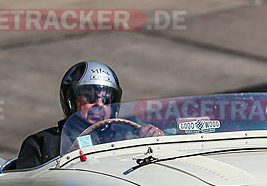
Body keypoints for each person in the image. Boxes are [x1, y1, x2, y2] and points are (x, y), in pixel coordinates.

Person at [14, 61, 162, 169]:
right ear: (71, 100)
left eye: (107, 99)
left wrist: (155, 144)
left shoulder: (129, 139)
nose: (99, 104)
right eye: (89, 97)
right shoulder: (43, 144)